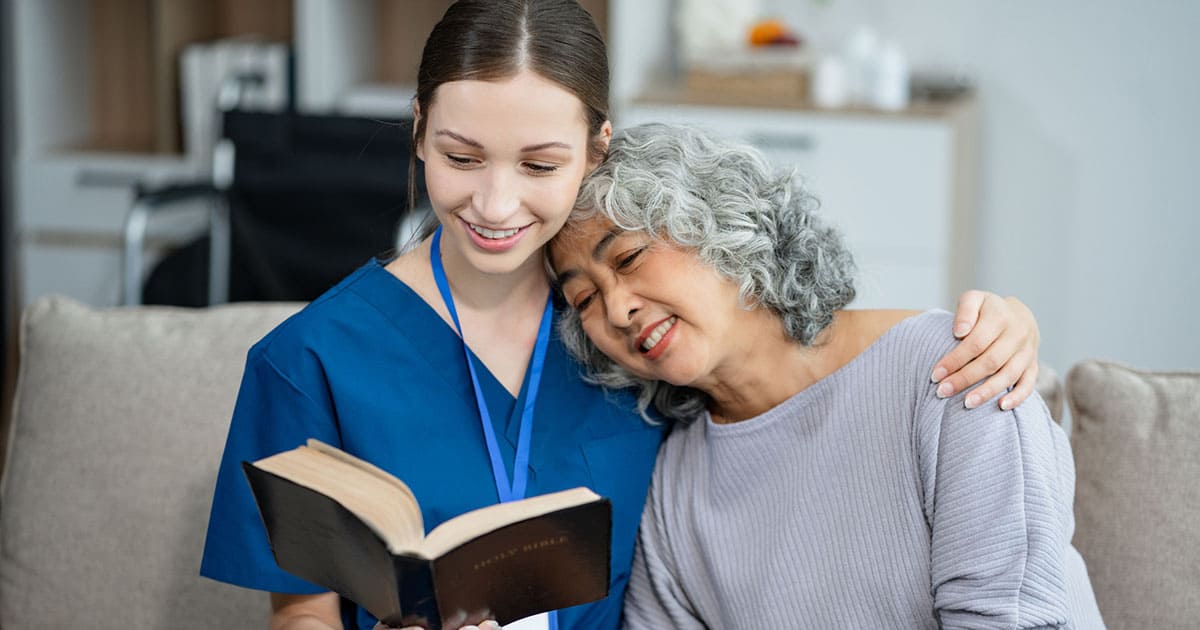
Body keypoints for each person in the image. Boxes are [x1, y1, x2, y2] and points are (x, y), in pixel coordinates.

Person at [200, 2, 1044, 629]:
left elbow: (802, 372)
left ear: (597, 150)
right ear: (419, 133)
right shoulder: (305, 361)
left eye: (540, 163)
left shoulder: (631, 347)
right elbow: (300, 616)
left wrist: (993, 324)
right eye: (460, 157)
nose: (495, 202)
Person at [548, 122, 1104, 629]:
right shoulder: (673, 483)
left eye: (628, 257)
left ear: (719, 224)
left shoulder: (958, 368)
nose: (617, 310)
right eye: (585, 298)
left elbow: (1011, 618)